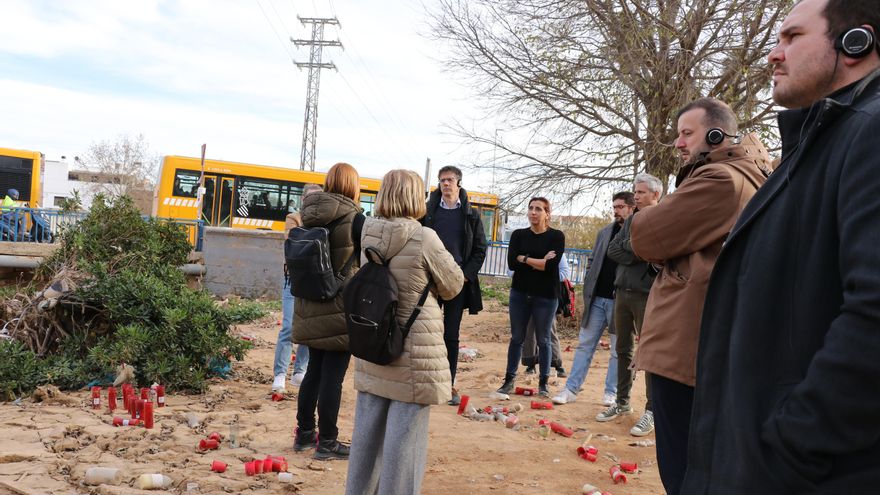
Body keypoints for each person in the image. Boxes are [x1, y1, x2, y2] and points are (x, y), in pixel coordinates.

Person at [683, 1, 880, 492]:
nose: (773, 54)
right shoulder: (818, 144)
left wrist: (790, 447)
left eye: (792, 37)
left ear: (855, 42)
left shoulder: (869, 133)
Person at [628, 98, 770, 495]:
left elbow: (644, 236)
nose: (678, 143)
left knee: (682, 469)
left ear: (717, 134)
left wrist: (654, 224)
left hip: (686, 345)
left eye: (687, 133)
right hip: (708, 341)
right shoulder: (749, 174)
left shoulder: (720, 179)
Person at [345, 170, 464, 494]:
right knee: (404, 450)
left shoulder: (366, 231)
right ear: (414, 197)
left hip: (374, 345)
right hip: (413, 354)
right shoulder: (424, 237)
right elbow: (453, 285)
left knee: (366, 442)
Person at [292, 163, 366, 460]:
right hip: (338, 306)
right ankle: (328, 441)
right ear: (352, 186)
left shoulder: (308, 215)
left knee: (313, 371)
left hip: (309, 302)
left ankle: (304, 434)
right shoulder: (356, 219)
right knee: (332, 378)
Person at [552, 192, 633, 406]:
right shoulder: (605, 232)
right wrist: (589, 279)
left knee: (618, 350)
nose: (616, 211)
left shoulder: (637, 232)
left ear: (632, 207)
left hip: (622, 301)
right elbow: (592, 259)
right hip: (597, 299)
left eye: (621, 206)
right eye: (614, 207)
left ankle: (611, 393)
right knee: (585, 345)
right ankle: (571, 389)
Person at [596, 174, 661, 437]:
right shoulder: (633, 219)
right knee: (622, 350)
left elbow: (659, 252)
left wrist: (632, 249)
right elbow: (613, 250)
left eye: (642, 192)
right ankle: (622, 402)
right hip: (622, 292)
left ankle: (652, 410)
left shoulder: (664, 217)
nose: (636, 196)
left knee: (650, 354)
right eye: (636, 192)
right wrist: (639, 251)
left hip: (647, 295)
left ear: (656, 194)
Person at [422, 165, 487, 406]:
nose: (445, 184)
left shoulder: (471, 214)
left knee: (450, 334)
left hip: (457, 282)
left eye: (449, 180)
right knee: (426, 332)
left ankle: (448, 385)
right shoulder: (428, 211)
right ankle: (426, 383)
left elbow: (480, 249)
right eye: (442, 180)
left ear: (458, 182)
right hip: (429, 282)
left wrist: (465, 276)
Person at [496, 197, 565, 397]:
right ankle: (509, 380)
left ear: (547, 214)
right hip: (519, 293)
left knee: (544, 339)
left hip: (546, 296)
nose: (533, 212)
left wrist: (524, 258)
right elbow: (512, 263)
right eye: (531, 208)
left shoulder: (556, 236)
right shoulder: (518, 235)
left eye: (538, 209)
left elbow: (550, 267)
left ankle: (543, 384)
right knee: (517, 338)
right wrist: (539, 261)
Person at [272, 183, 323, 393]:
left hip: (315, 280)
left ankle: (299, 371)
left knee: (309, 328)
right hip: (294, 279)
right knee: (288, 327)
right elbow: (294, 243)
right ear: (303, 199)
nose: (314, 202)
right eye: (310, 198)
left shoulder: (324, 221)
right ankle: (280, 374)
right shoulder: (293, 218)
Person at [521, 251, 571, 378]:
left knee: (549, 329)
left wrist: (543, 271)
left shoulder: (555, 251)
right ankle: (530, 363)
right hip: (527, 293)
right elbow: (511, 271)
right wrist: (539, 267)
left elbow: (564, 273)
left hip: (548, 294)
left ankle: (556, 364)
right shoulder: (525, 248)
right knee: (529, 329)